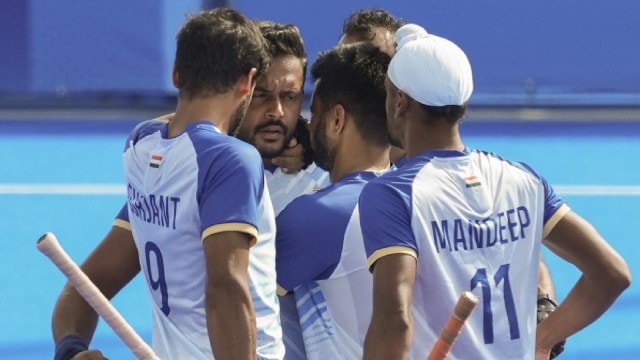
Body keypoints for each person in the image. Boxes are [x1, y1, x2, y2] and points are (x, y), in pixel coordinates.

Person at [359, 23, 631, 360]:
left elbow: (395, 322)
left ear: (400, 102)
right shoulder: (523, 180)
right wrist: (543, 340)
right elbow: (612, 273)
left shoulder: (392, 194)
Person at [50, 8, 285, 360]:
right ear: (247, 81)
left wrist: (71, 350)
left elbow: (83, 285)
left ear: (176, 74)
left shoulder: (142, 148)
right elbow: (225, 289)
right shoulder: (230, 159)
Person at [339, 9, 563, 349]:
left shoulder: (419, 184)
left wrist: (543, 313)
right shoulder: (323, 151)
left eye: (371, 67)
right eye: (347, 66)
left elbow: (525, 252)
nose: (357, 79)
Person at [276, 42, 392, 359]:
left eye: (313, 115)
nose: (308, 126)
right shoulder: (419, 192)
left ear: (337, 119)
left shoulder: (319, 216)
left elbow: (225, 287)